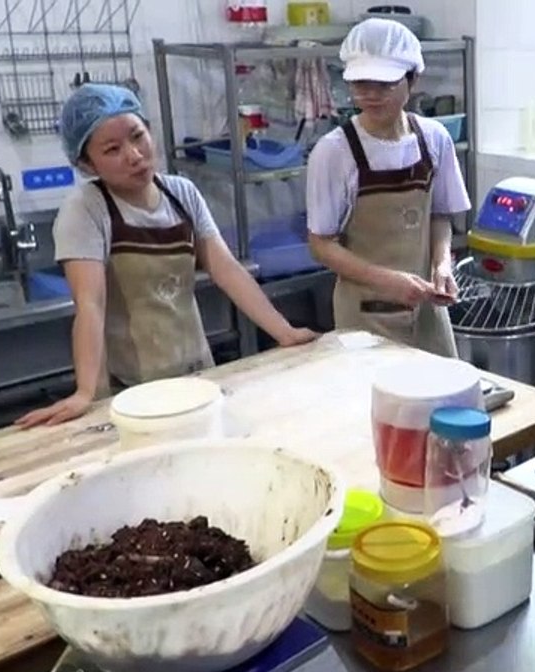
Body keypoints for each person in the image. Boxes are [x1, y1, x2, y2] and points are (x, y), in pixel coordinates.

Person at [16, 84, 318, 428]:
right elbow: (90, 304)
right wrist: (86, 393)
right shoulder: (86, 209)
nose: (134, 155)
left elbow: (227, 270)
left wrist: (284, 332)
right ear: (87, 164)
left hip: (198, 377)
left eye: (137, 136)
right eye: (112, 149)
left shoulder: (181, 193)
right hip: (132, 391)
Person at [306, 18, 471, 357]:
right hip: (363, 318)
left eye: (384, 84)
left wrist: (442, 265)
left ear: (413, 79)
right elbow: (321, 244)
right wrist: (387, 281)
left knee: (441, 388)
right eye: (360, 84)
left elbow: (439, 215)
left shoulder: (434, 139)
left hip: (427, 311)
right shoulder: (334, 151)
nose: (370, 95)